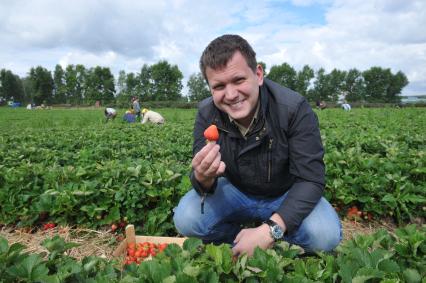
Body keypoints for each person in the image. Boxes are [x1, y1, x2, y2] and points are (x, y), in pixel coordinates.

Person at [173, 34, 341, 257]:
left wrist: (271, 230)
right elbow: (202, 182)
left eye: (239, 80)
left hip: (285, 192)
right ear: (210, 88)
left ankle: (268, 236)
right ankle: (246, 238)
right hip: (236, 190)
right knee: (186, 219)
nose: (231, 94)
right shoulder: (207, 114)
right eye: (219, 86)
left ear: (258, 74)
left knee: (324, 236)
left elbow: (310, 179)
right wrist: (203, 178)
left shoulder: (293, 108)